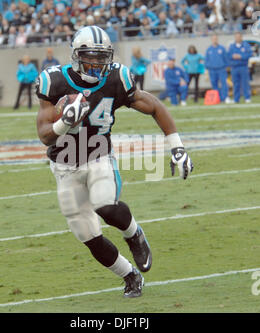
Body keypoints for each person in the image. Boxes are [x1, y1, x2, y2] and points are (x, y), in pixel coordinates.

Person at [36, 26, 193, 298]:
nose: (97, 63)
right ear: (76, 55)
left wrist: (177, 147)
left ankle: (135, 234)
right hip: (64, 166)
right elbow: (45, 136)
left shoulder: (116, 78)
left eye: (102, 56)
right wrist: (65, 122)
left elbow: (154, 105)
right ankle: (130, 275)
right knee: (88, 235)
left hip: (99, 156)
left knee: (104, 205)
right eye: (91, 56)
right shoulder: (55, 81)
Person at [227, 32, 253, 103]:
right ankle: (236, 99)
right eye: (236, 37)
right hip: (234, 67)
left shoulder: (246, 45)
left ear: (241, 37)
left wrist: (240, 56)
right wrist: (232, 56)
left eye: (239, 37)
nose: (237, 38)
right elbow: (228, 55)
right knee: (235, 84)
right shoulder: (231, 46)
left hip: (243, 67)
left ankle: (247, 98)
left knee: (245, 83)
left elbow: (249, 54)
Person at [205, 34, 231, 103]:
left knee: (224, 83)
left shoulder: (222, 48)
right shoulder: (209, 50)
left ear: (217, 39)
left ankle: (225, 97)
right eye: (213, 39)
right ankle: (218, 98)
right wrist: (208, 67)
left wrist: (226, 66)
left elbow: (226, 59)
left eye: (216, 39)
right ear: (211, 40)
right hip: (212, 70)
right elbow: (206, 60)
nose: (215, 40)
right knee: (214, 84)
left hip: (221, 69)